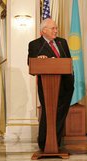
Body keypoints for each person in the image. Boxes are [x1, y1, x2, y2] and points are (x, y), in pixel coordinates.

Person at [28, 18, 74, 151]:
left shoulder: (62, 42)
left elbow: (68, 62)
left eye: (56, 28)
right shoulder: (35, 44)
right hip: (48, 87)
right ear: (44, 31)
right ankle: (44, 143)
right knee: (49, 114)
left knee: (61, 114)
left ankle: (56, 143)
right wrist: (40, 60)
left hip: (65, 85)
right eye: (53, 28)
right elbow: (30, 63)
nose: (56, 30)